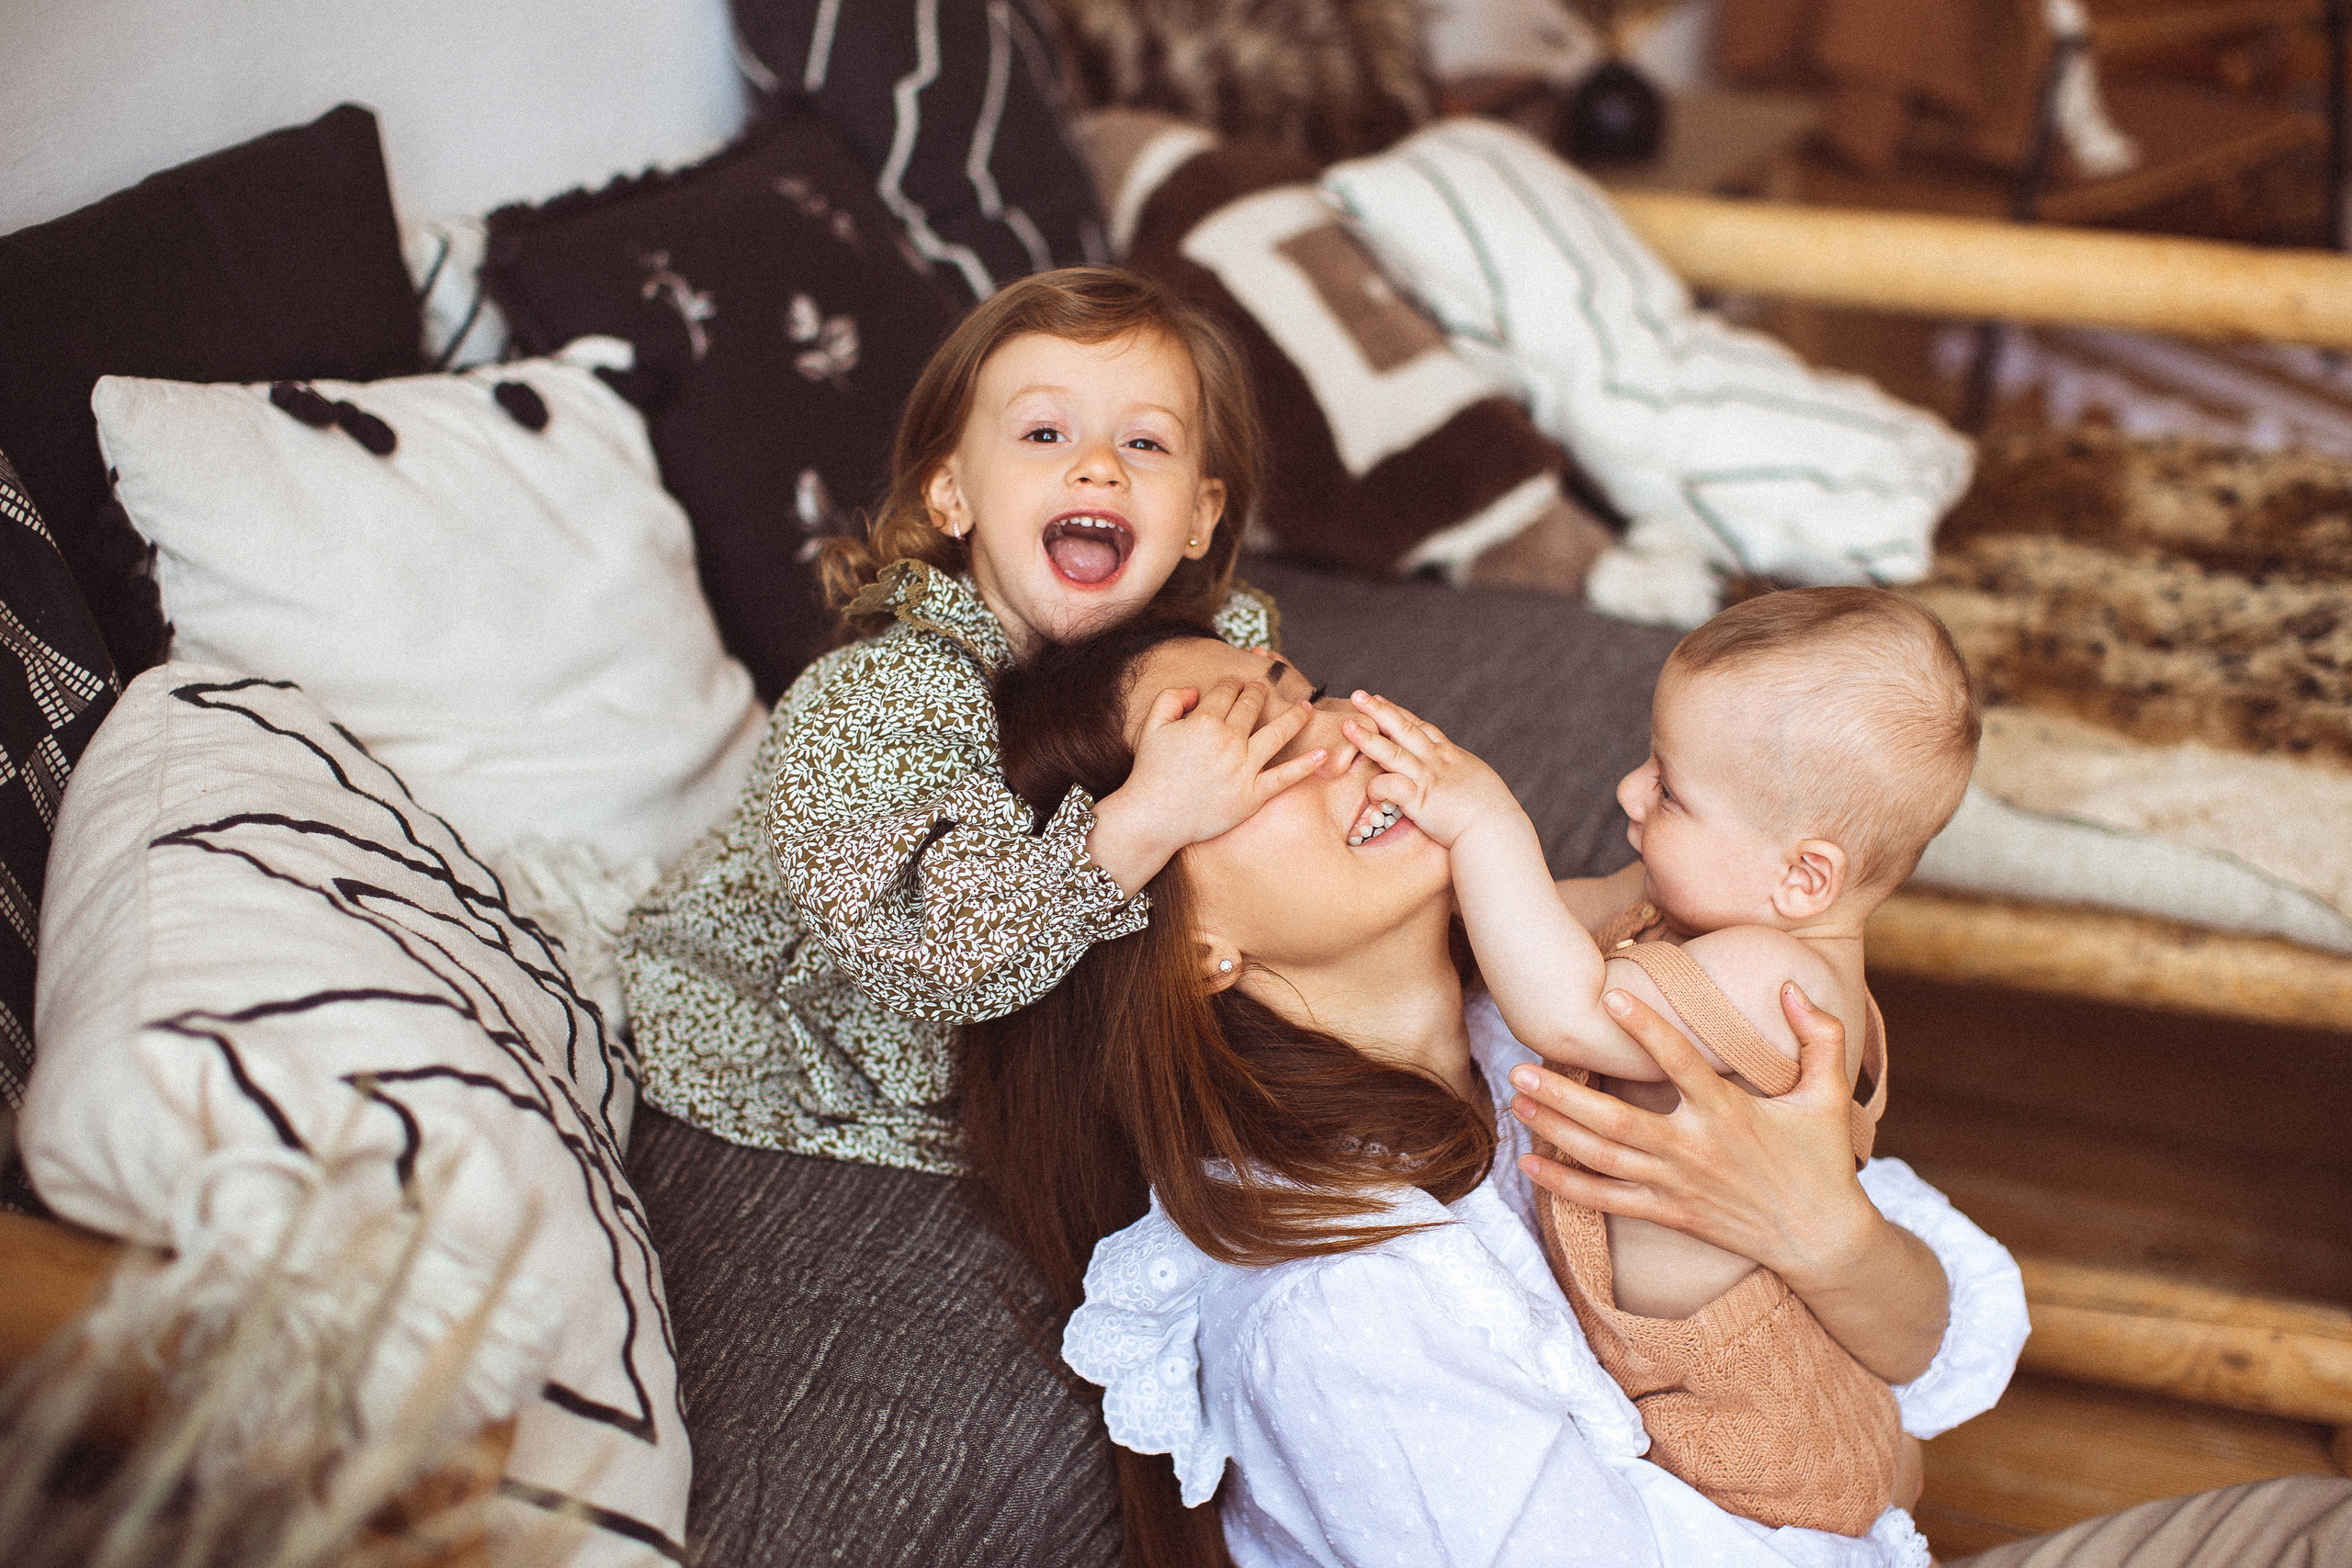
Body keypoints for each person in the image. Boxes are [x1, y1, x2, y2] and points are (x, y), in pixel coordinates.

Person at [960, 617, 2027, 1568]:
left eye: (1299, 684)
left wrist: (1827, 1239)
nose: (1345, 736)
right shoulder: (1337, 1312)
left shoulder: (1542, 1014)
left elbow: (1941, 1338)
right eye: (1257, 752)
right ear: (1192, 944)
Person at [623, 265, 1326, 1179]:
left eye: (1146, 444)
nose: (1099, 466)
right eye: (1044, 432)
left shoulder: (1220, 647)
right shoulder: (875, 701)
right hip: (824, 1018)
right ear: (949, 495)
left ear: (1198, 517)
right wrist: (1146, 817)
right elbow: (920, 948)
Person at [1340, 586, 1978, 1534]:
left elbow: (1565, 1009)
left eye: (1669, 789)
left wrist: (1484, 822)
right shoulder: (1701, 904)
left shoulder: (1780, 981)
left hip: (1747, 1432)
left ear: (1803, 876)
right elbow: (1549, 916)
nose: (1628, 794)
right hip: (1683, 1379)